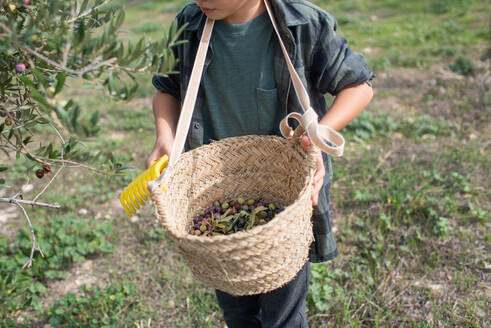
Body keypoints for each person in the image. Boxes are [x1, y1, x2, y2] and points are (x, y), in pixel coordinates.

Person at [147, 0, 374, 327]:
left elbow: (359, 86)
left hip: (285, 209)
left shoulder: (303, 23)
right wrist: (164, 135)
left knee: (283, 316)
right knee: (236, 311)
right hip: (218, 197)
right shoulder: (191, 22)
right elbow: (166, 89)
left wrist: (320, 132)